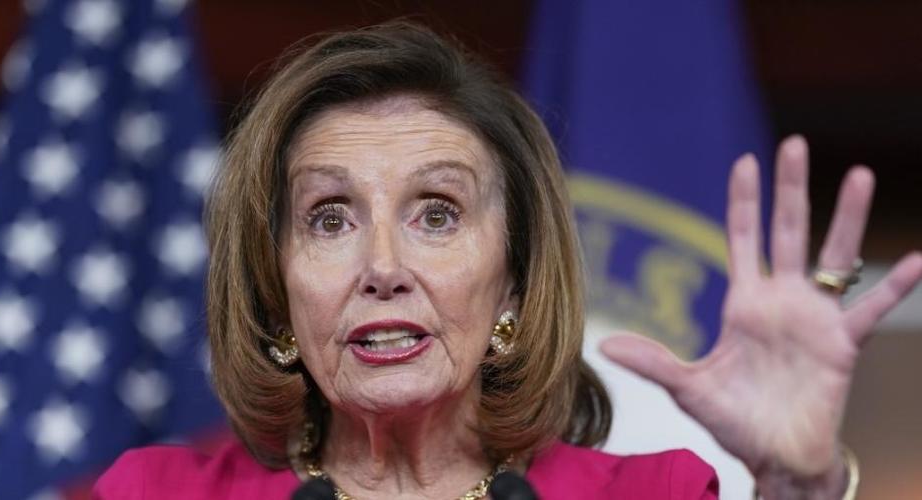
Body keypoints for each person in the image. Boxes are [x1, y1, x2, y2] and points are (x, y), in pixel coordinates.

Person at [94, 22, 922, 499]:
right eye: (330, 217)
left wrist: (799, 483)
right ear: (274, 290)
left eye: (438, 213)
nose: (383, 265)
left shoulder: (647, 497)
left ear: (515, 283)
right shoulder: (157, 493)